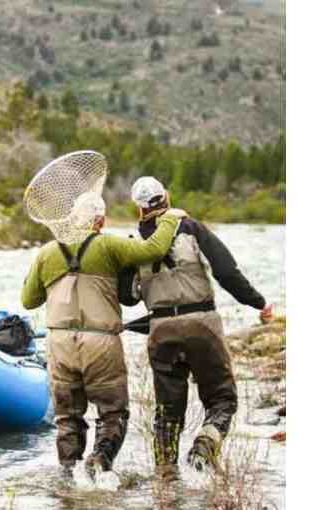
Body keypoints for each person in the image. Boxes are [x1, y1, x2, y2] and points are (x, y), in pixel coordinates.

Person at [21, 192, 187, 477]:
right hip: (100, 341)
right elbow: (154, 250)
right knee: (113, 413)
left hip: (59, 342)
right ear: (100, 221)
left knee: (67, 417)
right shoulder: (109, 244)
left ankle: (68, 475)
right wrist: (171, 219)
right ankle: (99, 462)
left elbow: (28, 300)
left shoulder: (47, 252)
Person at [125, 176, 272, 477]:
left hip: (161, 330)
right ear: (166, 196)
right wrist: (259, 303)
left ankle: (166, 480)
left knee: (167, 412)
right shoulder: (191, 228)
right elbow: (227, 273)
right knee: (222, 400)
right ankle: (204, 446)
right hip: (202, 324)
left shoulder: (133, 244)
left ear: (138, 208)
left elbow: (126, 297)